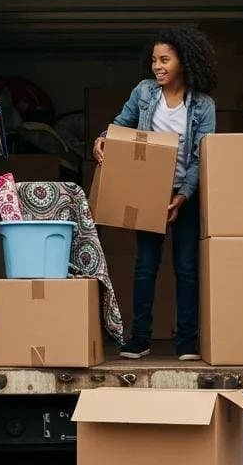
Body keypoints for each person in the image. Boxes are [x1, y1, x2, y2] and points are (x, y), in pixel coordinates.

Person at [93, 27, 217, 361]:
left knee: (186, 266)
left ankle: (186, 341)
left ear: (184, 61)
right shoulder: (145, 93)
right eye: (154, 60)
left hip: (184, 194)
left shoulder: (203, 106)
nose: (157, 67)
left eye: (165, 60)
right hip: (149, 191)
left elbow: (199, 159)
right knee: (146, 265)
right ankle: (140, 338)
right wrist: (105, 136)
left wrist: (183, 197)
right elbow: (123, 124)